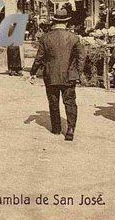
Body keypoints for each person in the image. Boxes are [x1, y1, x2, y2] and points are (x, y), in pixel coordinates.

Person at [30, 7, 84, 141]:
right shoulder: (74, 38)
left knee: (53, 102)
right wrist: (78, 72)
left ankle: (56, 128)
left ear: (54, 21)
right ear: (66, 22)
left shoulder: (45, 38)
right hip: (69, 75)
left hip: (51, 75)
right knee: (70, 102)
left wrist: (33, 72)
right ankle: (70, 129)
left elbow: (39, 58)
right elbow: (81, 57)